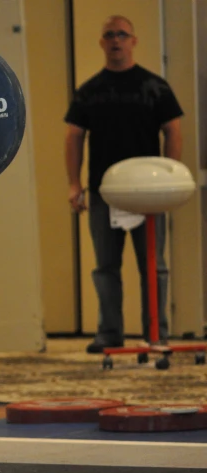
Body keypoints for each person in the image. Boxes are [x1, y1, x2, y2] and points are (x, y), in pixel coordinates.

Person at [64, 15, 183, 354]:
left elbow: (173, 129)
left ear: (133, 40)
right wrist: (75, 184)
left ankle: (156, 332)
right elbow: (74, 136)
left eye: (122, 34)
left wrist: (171, 175)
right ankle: (109, 333)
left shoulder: (155, 87)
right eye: (109, 35)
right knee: (105, 266)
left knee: (153, 265)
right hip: (105, 192)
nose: (116, 40)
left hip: (149, 193)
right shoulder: (89, 91)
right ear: (102, 43)